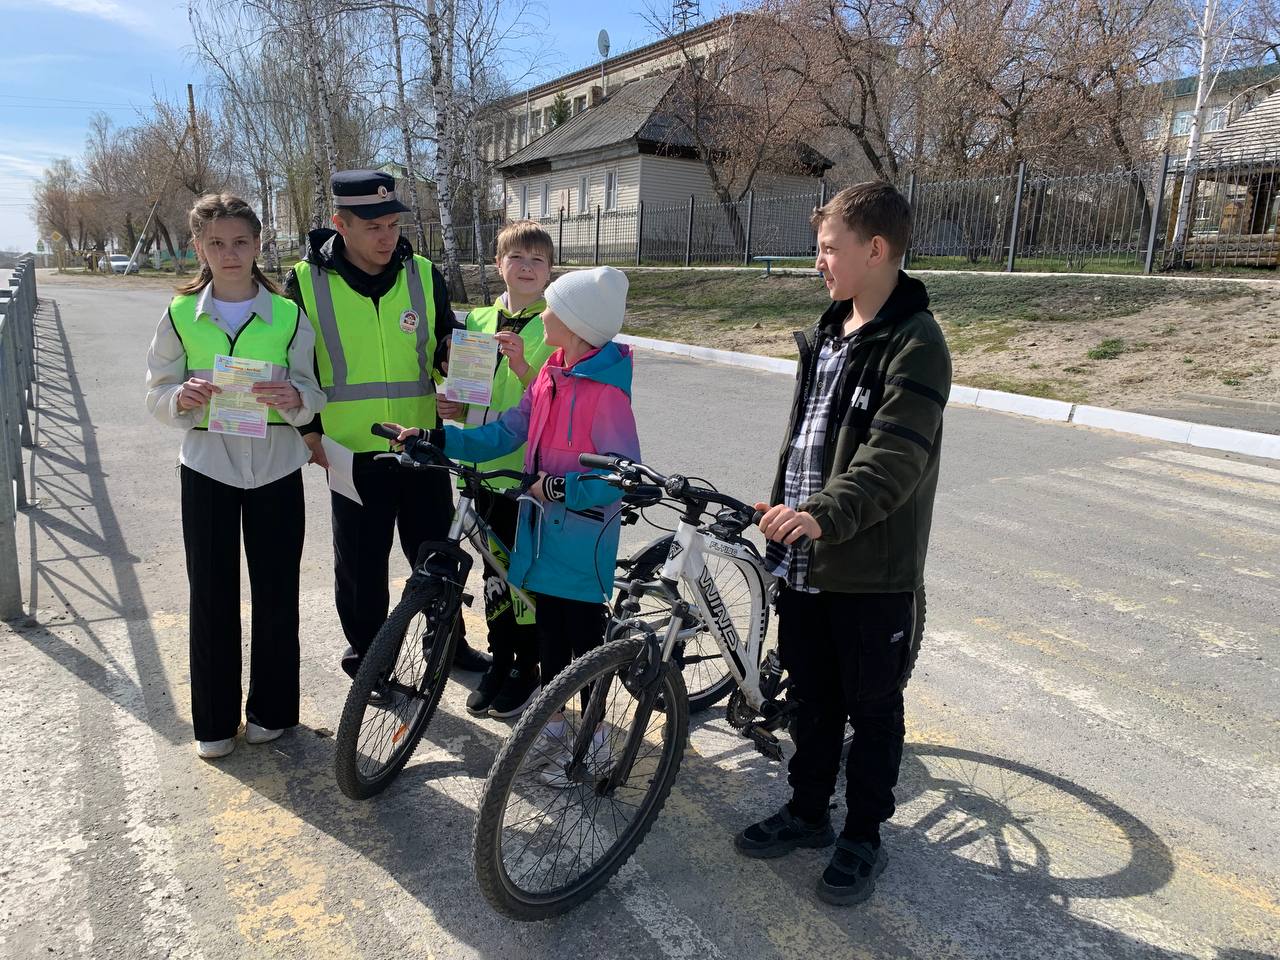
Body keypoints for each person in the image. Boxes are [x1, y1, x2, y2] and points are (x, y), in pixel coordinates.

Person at [738, 182, 952, 906]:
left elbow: (895, 458)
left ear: (876, 249)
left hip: (869, 569)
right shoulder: (829, 331)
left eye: (829, 248)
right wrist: (786, 507)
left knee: (872, 707)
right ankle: (807, 813)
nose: (818, 261)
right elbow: (809, 442)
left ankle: (863, 834)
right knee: (813, 700)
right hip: (807, 558)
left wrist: (823, 512)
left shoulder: (917, 344)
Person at [390, 266, 639, 782]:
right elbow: (508, 431)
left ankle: (591, 739)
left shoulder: (606, 393)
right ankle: (551, 716)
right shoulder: (550, 373)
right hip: (542, 528)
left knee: (582, 639)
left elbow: (619, 474)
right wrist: (442, 439)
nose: (542, 313)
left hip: (583, 537)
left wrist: (560, 489)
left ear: (574, 325)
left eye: (552, 307)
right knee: (549, 630)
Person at [284, 169, 491, 681]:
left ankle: (448, 643)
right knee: (360, 566)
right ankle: (370, 659)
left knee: (436, 555)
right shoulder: (305, 282)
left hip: (421, 446)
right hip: (351, 452)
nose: (386, 236)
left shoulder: (423, 272)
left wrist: (458, 366)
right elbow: (294, 368)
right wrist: (309, 432)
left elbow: (446, 344)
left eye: (394, 224)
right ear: (340, 224)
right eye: (373, 225)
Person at [145, 193, 326, 759]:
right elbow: (154, 393)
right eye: (217, 243)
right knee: (212, 596)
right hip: (207, 469)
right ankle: (215, 723)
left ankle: (272, 713)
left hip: (275, 467)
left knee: (277, 593)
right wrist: (181, 396)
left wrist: (295, 397)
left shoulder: (290, 315)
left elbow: (317, 392)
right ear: (199, 247)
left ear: (258, 246)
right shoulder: (178, 316)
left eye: (241, 242)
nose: (230, 253)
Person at [438, 221, 556, 719]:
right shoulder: (478, 320)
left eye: (537, 261)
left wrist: (523, 366)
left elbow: (557, 400)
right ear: (498, 264)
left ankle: (527, 666)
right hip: (476, 468)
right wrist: (458, 412)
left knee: (522, 577)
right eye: (517, 259)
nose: (526, 268)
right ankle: (502, 658)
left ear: (551, 271)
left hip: (525, 475)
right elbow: (476, 397)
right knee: (493, 576)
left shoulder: (555, 323)